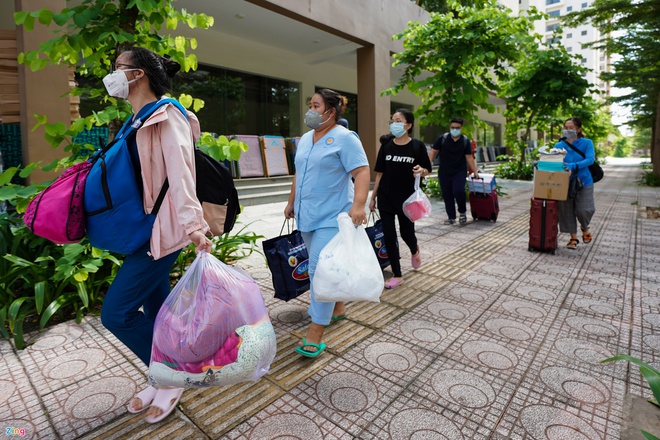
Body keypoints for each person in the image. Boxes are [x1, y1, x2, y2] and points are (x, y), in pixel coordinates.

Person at [99, 47, 213, 423]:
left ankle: (172, 374)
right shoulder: (136, 117)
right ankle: (162, 376)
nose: (113, 75)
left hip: (162, 233)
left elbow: (182, 175)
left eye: (118, 68)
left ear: (139, 74)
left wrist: (194, 227)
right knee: (158, 310)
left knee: (116, 313)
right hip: (141, 230)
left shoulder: (167, 115)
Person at [284, 89, 370, 358]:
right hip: (306, 213)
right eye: (310, 104)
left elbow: (362, 170)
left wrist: (358, 205)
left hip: (333, 215)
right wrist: (290, 202)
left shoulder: (346, 139)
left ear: (330, 112)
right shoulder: (306, 139)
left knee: (319, 271)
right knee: (326, 266)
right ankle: (338, 306)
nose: (310, 110)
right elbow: (300, 172)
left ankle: (315, 331)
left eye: (315, 105)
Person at [369, 109, 432, 289]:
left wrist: (422, 171)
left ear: (409, 125)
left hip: (407, 200)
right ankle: (397, 274)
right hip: (386, 197)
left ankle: (414, 249)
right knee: (389, 235)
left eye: (399, 120)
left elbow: (427, 169)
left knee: (406, 233)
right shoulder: (387, 145)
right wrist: (372, 198)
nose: (394, 123)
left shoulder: (417, 146)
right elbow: (379, 173)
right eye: (392, 120)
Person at [428, 117, 479, 224]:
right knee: (447, 194)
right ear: (449, 127)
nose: (454, 129)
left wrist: (475, 171)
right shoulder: (443, 138)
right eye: (452, 127)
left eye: (457, 128)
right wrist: (428, 164)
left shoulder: (465, 141)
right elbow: (433, 151)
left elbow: (469, 157)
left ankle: (462, 212)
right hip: (444, 172)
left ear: (461, 128)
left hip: (459, 171)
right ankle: (451, 217)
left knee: (458, 190)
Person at [556, 117, 596, 249]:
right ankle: (573, 238)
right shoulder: (559, 145)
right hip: (565, 182)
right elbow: (555, 161)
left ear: (578, 129)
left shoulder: (587, 143)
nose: (567, 130)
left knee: (584, 209)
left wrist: (572, 166)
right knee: (566, 209)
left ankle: (585, 228)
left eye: (571, 128)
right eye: (565, 128)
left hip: (584, 181)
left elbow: (590, 160)